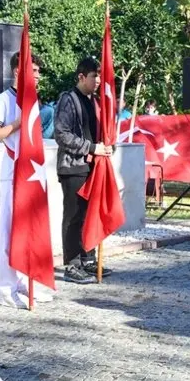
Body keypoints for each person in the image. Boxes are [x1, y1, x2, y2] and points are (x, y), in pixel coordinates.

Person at [0, 52, 54, 308]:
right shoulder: (3, 100)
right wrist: (16, 123)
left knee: (30, 226)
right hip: (12, 169)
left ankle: (27, 279)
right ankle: (6, 287)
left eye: (38, 71)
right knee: (8, 229)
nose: (37, 75)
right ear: (18, 70)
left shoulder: (33, 101)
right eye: (33, 70)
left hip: (32, 172)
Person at [54, 57, 114, 284]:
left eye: (99, 75)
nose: (98, 80)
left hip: (94, 166)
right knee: (73, 216)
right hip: (73, 167)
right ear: (81, 76)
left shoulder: (98, 102)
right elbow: (62, 134)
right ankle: (71, 263)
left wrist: (107, 145)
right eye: (93, 76)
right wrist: (91, 147)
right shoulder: (68, 99)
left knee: (90, 214)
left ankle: (88, 259)